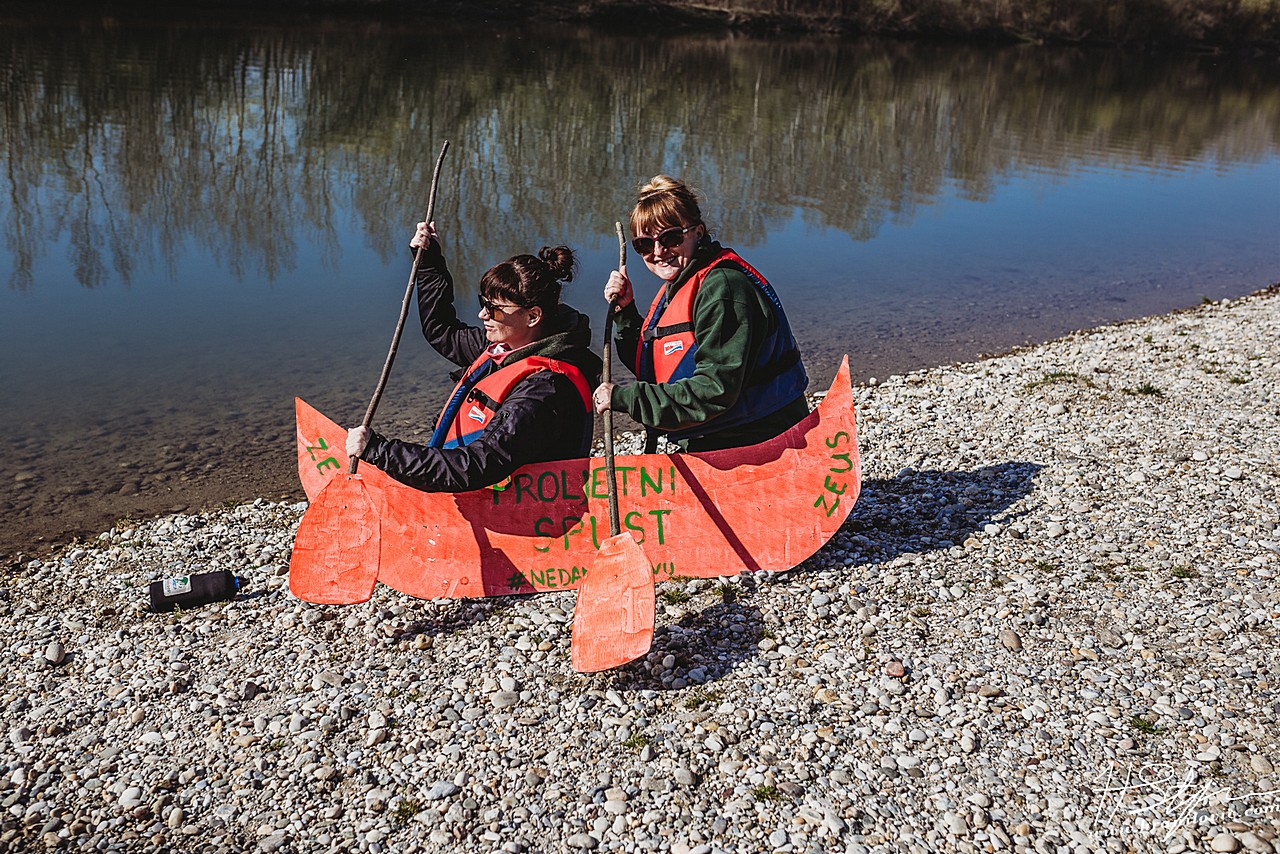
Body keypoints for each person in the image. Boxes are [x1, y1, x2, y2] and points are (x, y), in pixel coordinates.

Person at [346, 221, 602, 491]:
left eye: (495, 309)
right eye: (483, 303)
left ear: (533, 316)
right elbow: (441, 331)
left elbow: (477, 465)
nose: (483, 315)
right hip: (481, 492)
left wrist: (380, 451)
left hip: (519, 513)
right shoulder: (507, 346)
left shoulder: (545, 389)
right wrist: (430, 263)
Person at [593, 175, 808, 453]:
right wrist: (625, 311)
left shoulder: (723, 290)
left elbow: (714, 390)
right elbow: (661, 366)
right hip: (723, 435)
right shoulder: (684, 283)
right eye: (644, 244)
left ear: (698, 232)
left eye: (670, 238)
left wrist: (626, 398)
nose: (658, 252)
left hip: (762, 441)